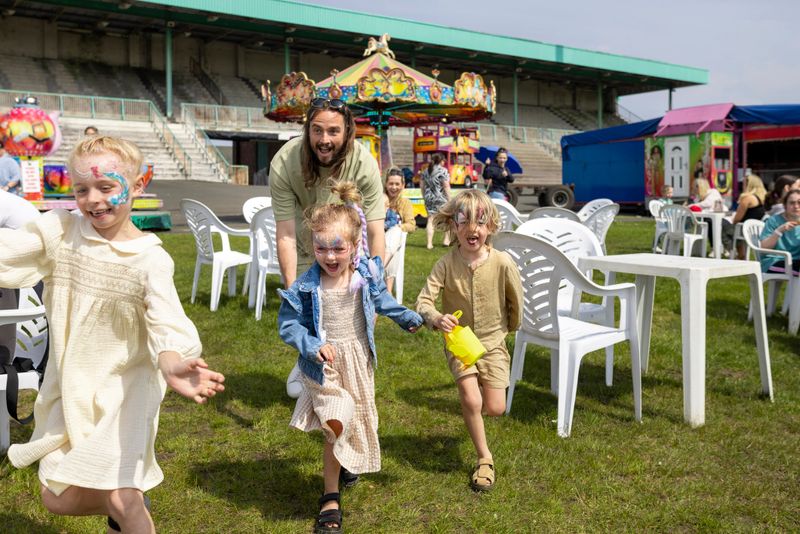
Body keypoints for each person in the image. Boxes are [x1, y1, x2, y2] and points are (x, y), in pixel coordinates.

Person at [0, 136, 225, 532]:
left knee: (123, 498)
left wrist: (172, 365)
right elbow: (11, 249)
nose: (93, 199)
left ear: (138, 185)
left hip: (125, 394)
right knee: (55, 496)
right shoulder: (61, 232)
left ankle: (128, 504)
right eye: (82, 189)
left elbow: (165, 322)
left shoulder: (150, 259)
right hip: (70, 388)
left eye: (107, 187)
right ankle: (125, 504)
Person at [278, 181, 422, 534]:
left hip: (358, 361)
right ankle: (330, 497)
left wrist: (409, 318)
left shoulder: (364, 275)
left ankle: (346, 464)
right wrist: (311, 344)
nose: (328, 256)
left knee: (356, 421)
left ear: (354, 245)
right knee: (336, 425)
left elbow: (383, 302)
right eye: (320, 247)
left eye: (337, 248)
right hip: (323, 368)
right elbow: (287, 326)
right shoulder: (306, 286)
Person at [415, 189, 523, 492]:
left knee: (496, 407)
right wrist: (436, 318)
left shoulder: (502, 262)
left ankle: (471, 407)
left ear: (490, 227)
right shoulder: (445, 264)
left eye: (480, 221)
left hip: (493, 342)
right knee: (472, 399)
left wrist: (509, 329)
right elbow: (424, 301)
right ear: (453, 225)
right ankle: (484, 458)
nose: (471, 229)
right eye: (463, 221)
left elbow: (515, 299)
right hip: (460, 343)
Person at [270, 98, 385, 288]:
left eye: (333, 131)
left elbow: (375, 232)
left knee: (348, 315)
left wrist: (377, 291)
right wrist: (291, 294)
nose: (324, 140)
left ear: (347, 132)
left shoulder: (364, 163)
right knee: (308, 314)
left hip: (346, 253)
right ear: (308, 131)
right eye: (317, 130)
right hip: (303, 251)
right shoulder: (284, 163)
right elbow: (286, 234)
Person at [383, 167, 416, 296]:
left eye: (397, 184)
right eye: (391, 183)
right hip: (377, 239)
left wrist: (398, 227)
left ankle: (381, 273)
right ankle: (388, 291)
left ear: (403, 185)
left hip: (392, 241)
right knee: (392, 250)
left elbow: (411, 225)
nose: (394, 187)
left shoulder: (405, 203)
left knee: (396, 233)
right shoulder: (380, 199)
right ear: (386, 184)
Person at [721, 174, 767, 257]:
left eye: (744, 183)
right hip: (755, 229)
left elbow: (737, 219)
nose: (742, 185)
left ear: (749, 184)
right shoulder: (762, 198)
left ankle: (734, 252)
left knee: (721, 224)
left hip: (743, 229)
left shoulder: (747, 198)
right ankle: (739, 253)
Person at [759, 189, 800, 274]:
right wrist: (779, 231)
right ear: (785, 205)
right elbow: (764, 247)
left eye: (799, 202)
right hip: (775, 261)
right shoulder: (774, 220)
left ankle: (793, 288)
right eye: (792, 203)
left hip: (796, 261)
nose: (796, 206)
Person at [420, 153, 451, 249]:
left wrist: (424, 197)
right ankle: (446, 240)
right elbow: (446, 186)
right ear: (441, 161)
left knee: (430, 220)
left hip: (429, 197)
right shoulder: (443, 171)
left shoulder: (425, 171)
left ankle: (429, 243)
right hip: (441, 197)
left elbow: (422, 186)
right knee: (448, 219)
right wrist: (450, 199)